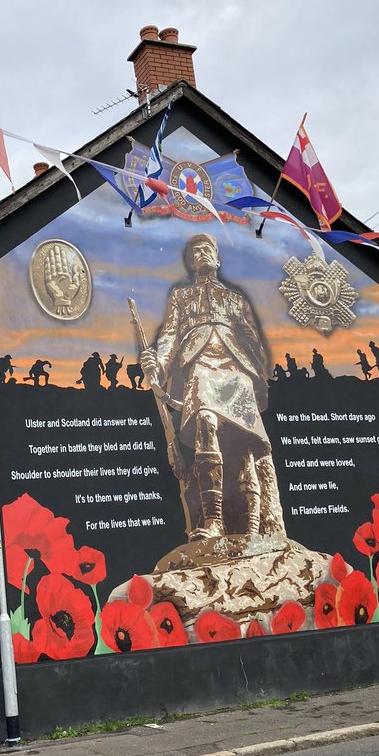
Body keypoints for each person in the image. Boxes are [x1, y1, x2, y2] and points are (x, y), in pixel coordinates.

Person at [140, 233, 285, 543]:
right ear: (192, 262)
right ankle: (214, 520)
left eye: (207, 249)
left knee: (245, 445)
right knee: (205, 422)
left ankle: (256, 522)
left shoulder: (236, 299)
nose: (202, 254)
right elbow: (169, 336)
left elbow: (252, 341)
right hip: (200, 368)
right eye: (196, 251)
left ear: (217, 259)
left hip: (236, 372)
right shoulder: (181, 296)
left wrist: (260, 376)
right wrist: (158, 366)